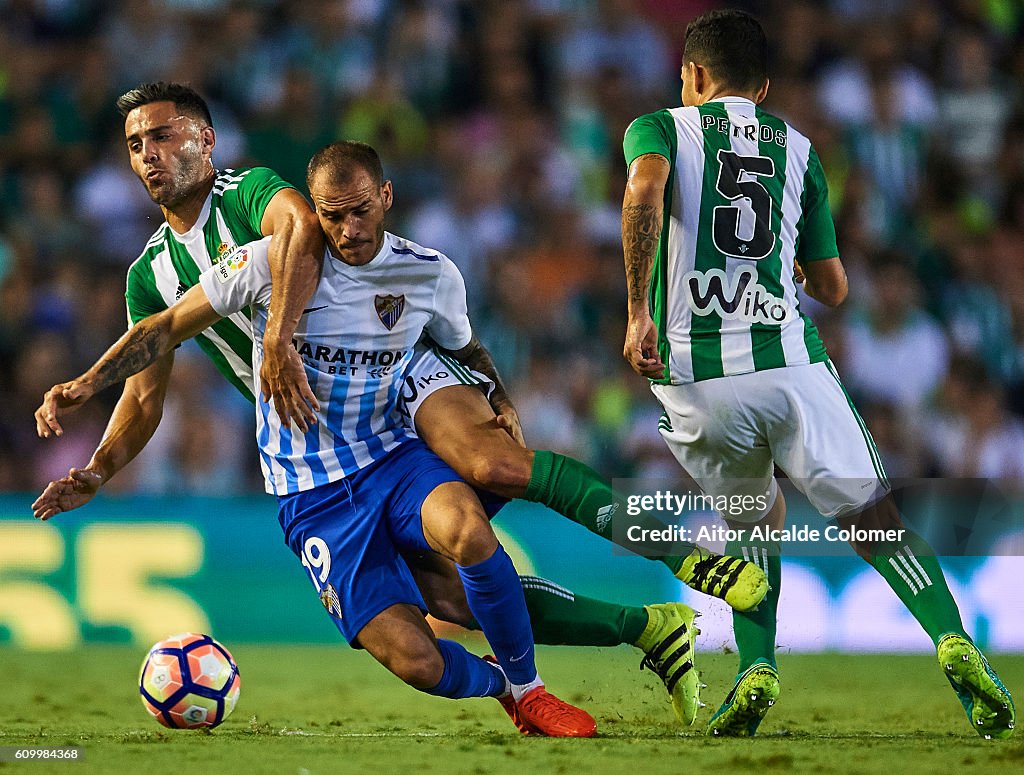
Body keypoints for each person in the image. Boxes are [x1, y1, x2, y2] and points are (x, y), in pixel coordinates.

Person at [29, 82, 757, 725]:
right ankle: (648, 628)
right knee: (453, 605)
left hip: (399, 366)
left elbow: (300, 229)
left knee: (496, 465)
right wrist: (98, 465)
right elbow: (145, 395)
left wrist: (280, 336)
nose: (148, 153)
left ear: (205, 140)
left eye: (161, 135)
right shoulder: (150, 274)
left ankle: (687, 554)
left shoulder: (248, 194)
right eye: (134, 144)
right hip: (314, 429)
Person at [33, 142, 600, 737]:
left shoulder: (428, 271)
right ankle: (500, 686)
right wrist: (87, 383)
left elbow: (464, 345)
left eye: (360, 210)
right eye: (332, 215)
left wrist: (500, 396)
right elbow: (167, 325)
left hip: (391, 455)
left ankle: (531, 687)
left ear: (386, 197)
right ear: (315, 211)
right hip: (310, 491)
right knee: (417, 661)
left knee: (466, 527)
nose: (349, 229)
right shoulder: (260, 263)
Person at [620, 9, 1014, 739]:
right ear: (763, 88)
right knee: (876, 520)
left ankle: (758, 664)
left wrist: (638, 309)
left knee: (751, 525)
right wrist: (796, 262)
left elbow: (645, 190)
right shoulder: (800, 150)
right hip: (789, 367)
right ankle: (953, 639)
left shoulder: (658, 127)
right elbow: (833, 290)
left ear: (694, 76)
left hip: (696, 379)